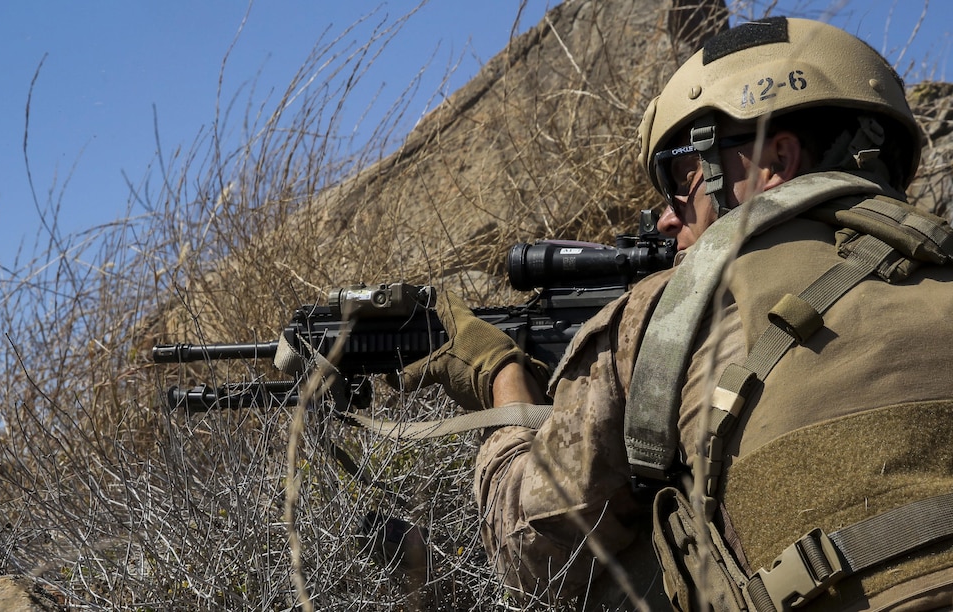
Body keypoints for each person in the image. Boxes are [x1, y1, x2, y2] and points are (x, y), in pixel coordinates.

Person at [394, 16, 953, 610]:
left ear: (773, 160)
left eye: (680, 178)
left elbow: (534, 554)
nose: (665, 217)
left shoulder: (665, 312)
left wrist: (503, 386)